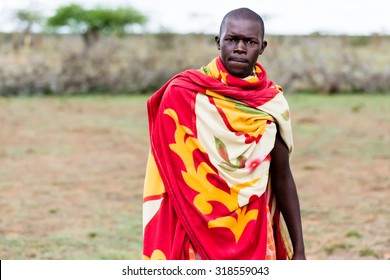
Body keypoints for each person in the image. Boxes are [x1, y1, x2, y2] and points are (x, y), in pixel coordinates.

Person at [142, 7, 306, 260]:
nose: (240, 48)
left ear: (262, 47)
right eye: (232, 39)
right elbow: (169, 174)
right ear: (218, 42)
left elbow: (282, 176)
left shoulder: (271, 103)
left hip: (253, 229)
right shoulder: (183, 93)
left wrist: (300, 250)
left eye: (250, 41)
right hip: (193, 227)